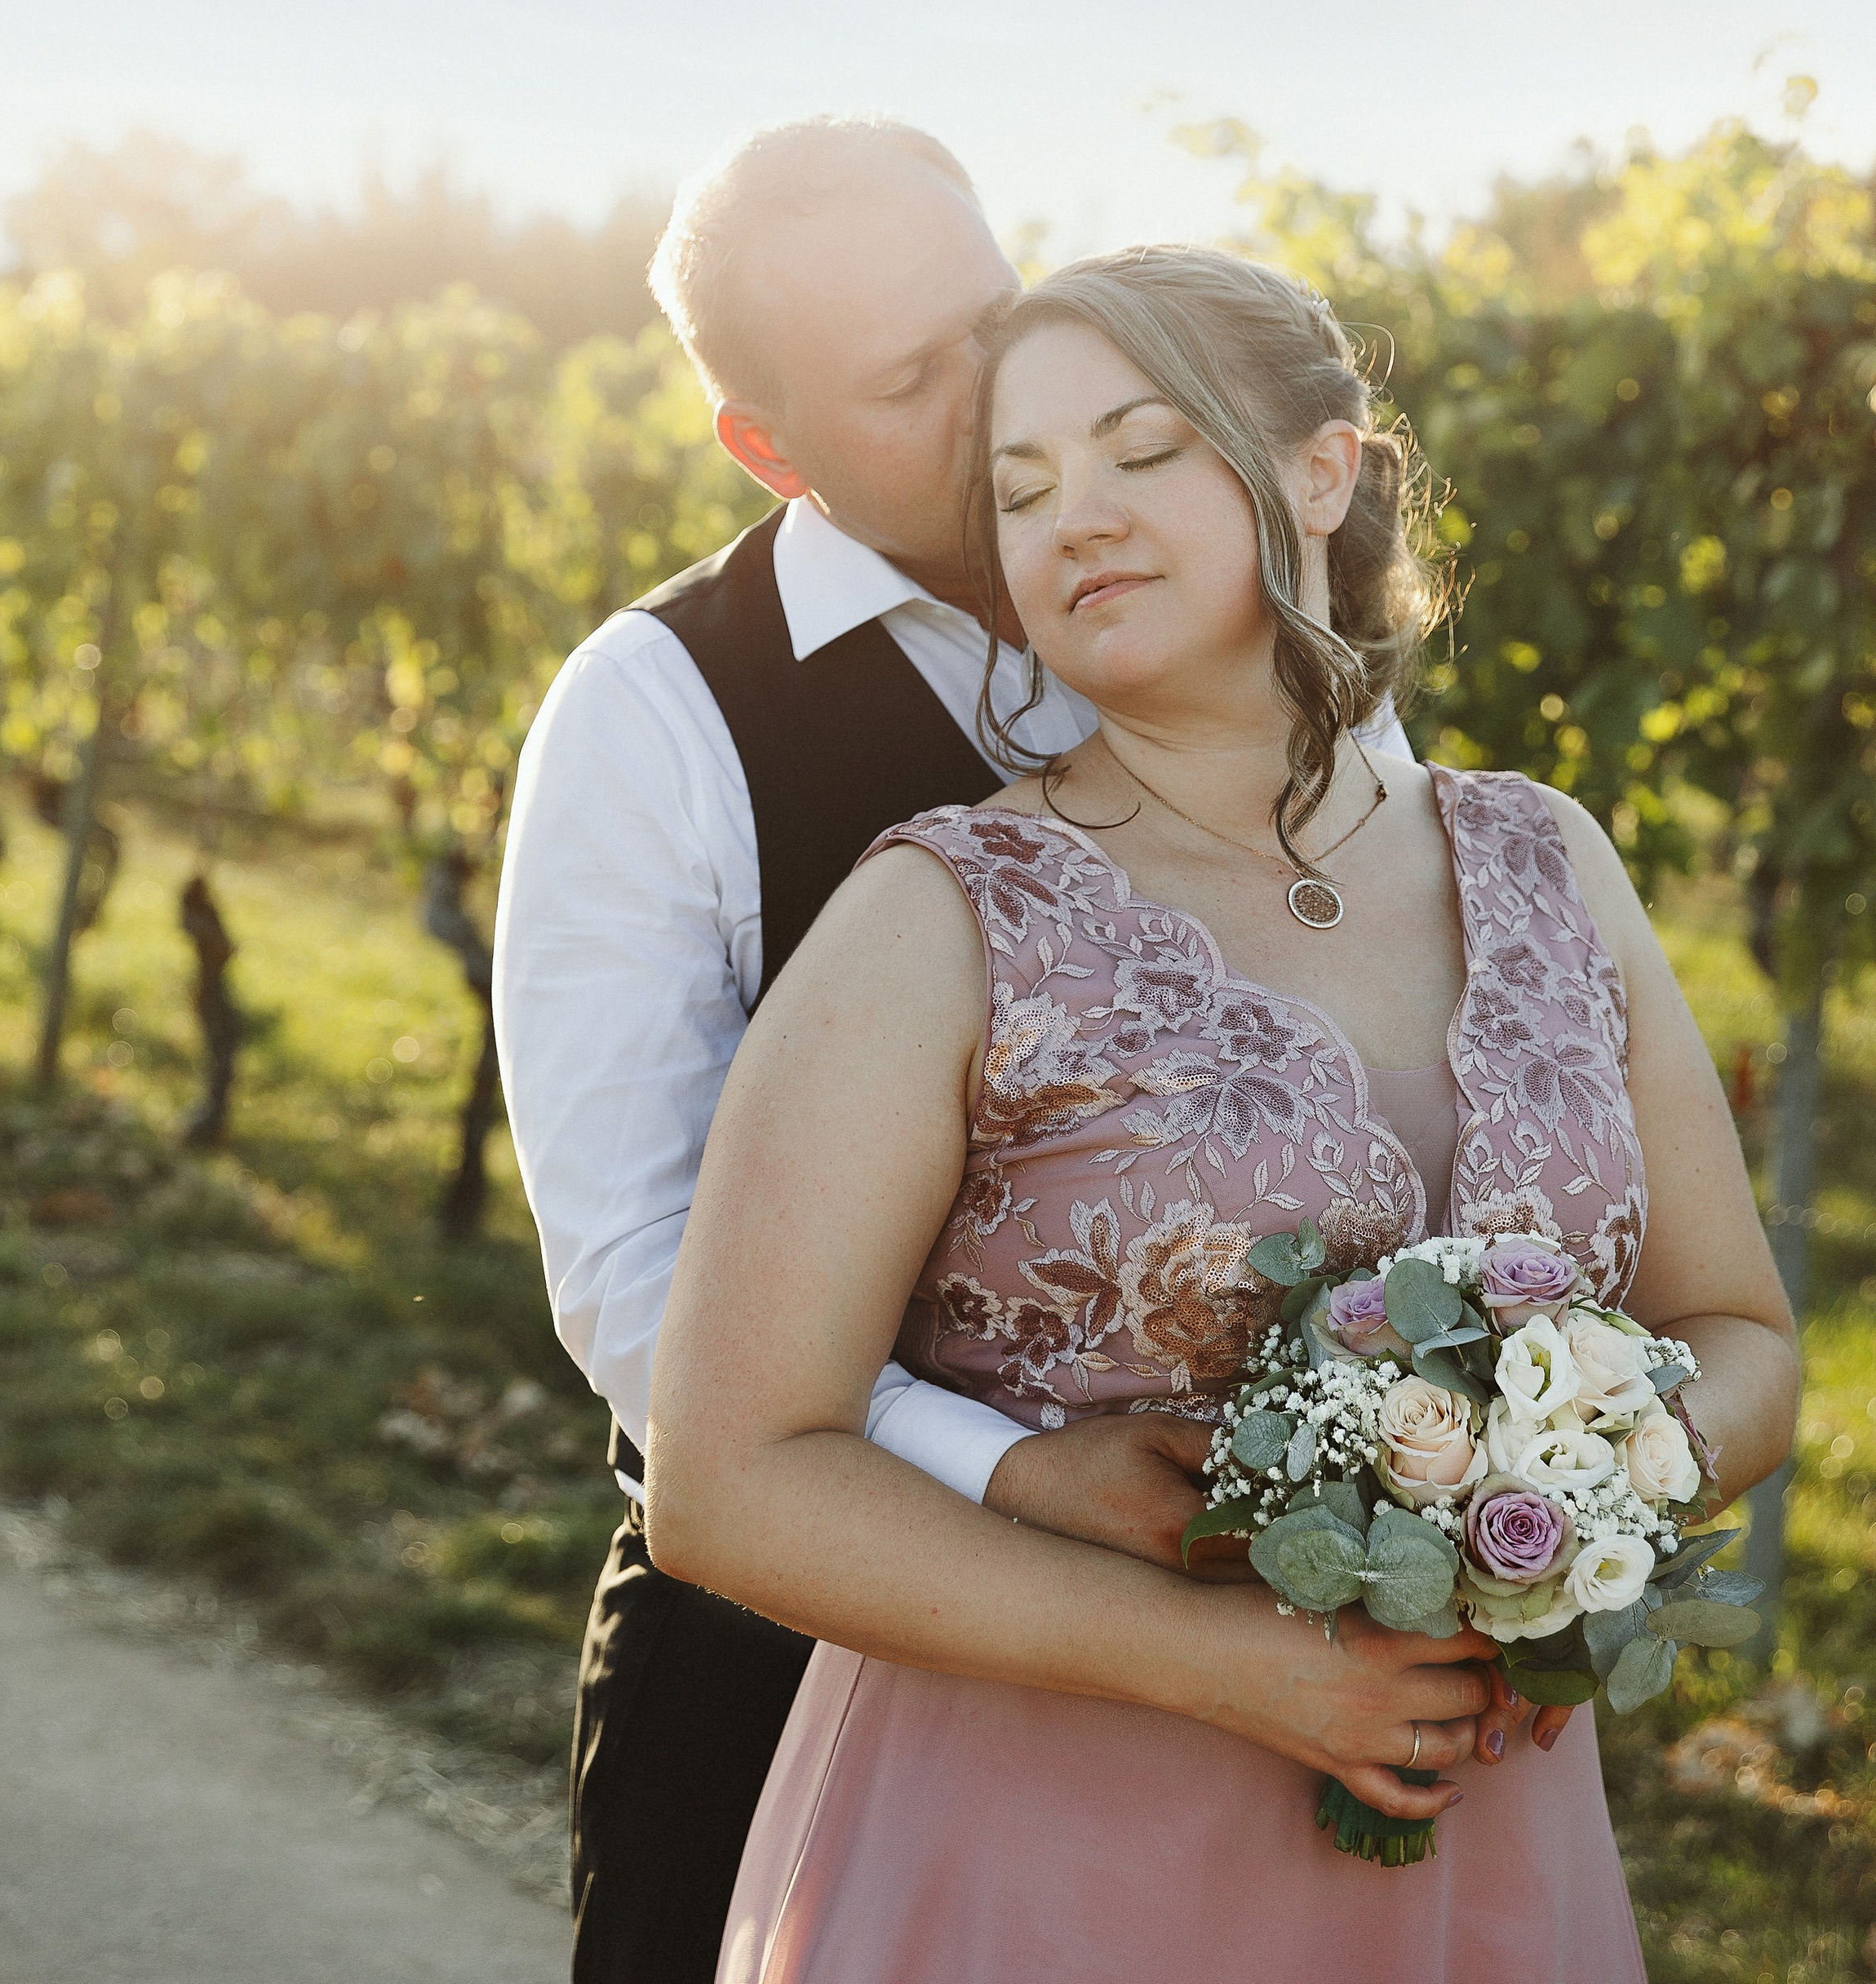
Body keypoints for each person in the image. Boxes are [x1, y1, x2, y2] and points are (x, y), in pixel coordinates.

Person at [646, 245, 1799, 1984]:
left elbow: (1738, 1337)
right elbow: (726, 1482)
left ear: (1318, 470)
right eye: (1019, 491)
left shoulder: (1546, 860)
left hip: (1478, 1834)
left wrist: (1547, 1487)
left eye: (1140, 449)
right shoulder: (939, 919)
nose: (1071, 520)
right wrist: (1220, 1660)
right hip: (1042, 1856)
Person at [495, 124, 1419, 1982]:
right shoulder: (656, 711)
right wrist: (1002, 1469)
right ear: (769, 447)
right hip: (791, 1657)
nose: (1000, 386)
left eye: (989, 316)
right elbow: (634, 1293)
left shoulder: (1197, 594)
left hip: (1267, 1666)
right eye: (911, 381)